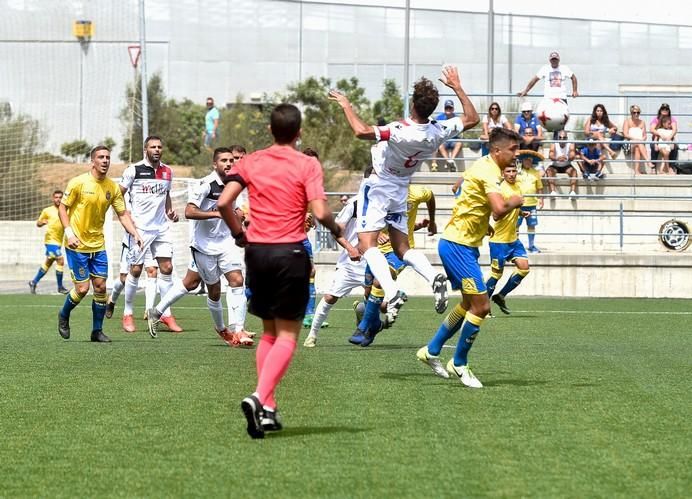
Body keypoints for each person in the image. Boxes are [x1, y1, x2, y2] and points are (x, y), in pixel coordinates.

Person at [217, 103, 342, 439]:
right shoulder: (307, 164)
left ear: (270, 131)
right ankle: (259, 397)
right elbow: (319, 210)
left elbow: (223, 203)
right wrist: (340, 230)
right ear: (299, 133)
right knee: (287, 336)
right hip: (289, 253)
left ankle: (268, 409)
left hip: (257, 254)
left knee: (270, 334)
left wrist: (238, 234)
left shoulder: (250, 161)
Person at [329, 65, 479, 324]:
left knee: (367, 245)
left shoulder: (399, 129)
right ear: (432, 108)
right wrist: (456, 86)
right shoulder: (438, 130)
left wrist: (345, 104)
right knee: (402, 248)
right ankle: (433, 278)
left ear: (412, 104)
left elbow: (361, 131)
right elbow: (472, 118)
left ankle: (391, 290)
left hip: (378, 187)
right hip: (401, 188)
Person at [416, 127, 524, 388]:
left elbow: (466, 195)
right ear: (497, 150)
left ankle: (430, 351)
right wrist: (516, 200)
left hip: (462, 242)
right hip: (458, 246)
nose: (516, 154)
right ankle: (460, 362)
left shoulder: (484, 165)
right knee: (482, 307)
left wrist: (479, 222)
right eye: (513, 149)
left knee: (468, 304)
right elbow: (499, 210)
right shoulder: (488, 172)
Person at [147, 147, 254, 347]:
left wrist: (240, 216)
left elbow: (236, 209)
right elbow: (189, 211)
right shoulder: (205, 185)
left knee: (237, 280)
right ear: (215, 164)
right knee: (212, 289)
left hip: (225, 244)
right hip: (203, 247)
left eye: (231, 160)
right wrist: (216, 214)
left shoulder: (234, 185)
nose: (229, 164)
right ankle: (222, 329)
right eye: (224, 160)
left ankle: (239, 330)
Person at [57, 146, 142, 342]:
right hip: (76, 245)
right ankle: (63, 314)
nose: (105, 161)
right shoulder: (78, 183)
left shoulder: (112, 187)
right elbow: (63, 208)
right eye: (101, 157)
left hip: (98, 245)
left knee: (101, 287)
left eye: (107, 158)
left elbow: (122, 214)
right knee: (82, 289)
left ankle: (97, 331)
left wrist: (135, 233)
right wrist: (69, 234)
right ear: (92, 161)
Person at [349, 184, 437, 347]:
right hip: (375, 250)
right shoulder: (377, 194)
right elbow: (365, 223)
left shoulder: (416, 192)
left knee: (379, 282)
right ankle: (375, 325)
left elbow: (430, 196)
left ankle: (363, 327)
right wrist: (378, 233)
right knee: (369, 295)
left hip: (399, 252)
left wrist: (432, 221)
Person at [119, 136, 182, 334]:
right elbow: (118, 194)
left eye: (159, 147)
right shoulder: (134, 170)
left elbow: (166, 195)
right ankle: (128, 313)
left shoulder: (167, 171)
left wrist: (170, 211)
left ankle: (165, 313)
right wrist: (126, 214)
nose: (156, 149)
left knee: (167, 267)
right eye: (152, 147)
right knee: (136, 270)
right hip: (140, 229)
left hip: (161, 228)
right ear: (145, 149)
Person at [303, 193, 364, 347]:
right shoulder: (355, 204)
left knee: (381, 302)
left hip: (373, 260)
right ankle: (312, 335)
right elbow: (336, 230)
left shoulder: (386, 201)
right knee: (330, 297)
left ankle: (364, 321)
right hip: (350, 263)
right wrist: (351, 248)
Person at [486, 162, 531, 315]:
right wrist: (512, 206)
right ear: (503, 174)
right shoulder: (500, 190)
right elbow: (496, 216)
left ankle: (501, 295)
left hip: (513, 239)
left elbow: (514, 207)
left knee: (524, 269)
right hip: (498, 241)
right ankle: (483, 307)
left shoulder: (517, 188)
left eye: (513, 171)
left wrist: (521, 212)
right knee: (496, 275)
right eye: (508, 171)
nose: (512, 174)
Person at [28, 190, 69, 295]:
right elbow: (38, 223)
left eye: (60, 197)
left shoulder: (66, 210)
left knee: (48, 263)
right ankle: (60, 287)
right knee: (60, 260)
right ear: (53, 198)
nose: (58, 199)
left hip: (59, 242)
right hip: (50, 241)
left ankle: (33, 282)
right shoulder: (47, 211)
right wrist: (42, 222)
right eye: (56, 197)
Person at [517, 147, 545, 253]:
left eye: (530, 160)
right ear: (522, 161)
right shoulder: (517, 172)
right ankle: (516, 246)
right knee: (516, 225)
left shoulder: (535, 173)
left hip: (532, 204)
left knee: (532, 225)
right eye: (526, 160)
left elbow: (540, 187)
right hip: (519, 204)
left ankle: (531, 245)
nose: (528, 162)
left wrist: (541, 199)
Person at [432, 99, 463, 172]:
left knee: (459, 143)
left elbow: (460, 131)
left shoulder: (457, 118)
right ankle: (448, 161)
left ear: (453, 109)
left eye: (450, 108)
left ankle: (451, 160)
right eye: (447, 108)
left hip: (454, 140)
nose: (448, 109)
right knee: (439, 144)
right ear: (444, 108)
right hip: (444, 140)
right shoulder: (439, 118)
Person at [546, 130, 578, 198]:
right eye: (560, 137)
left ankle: (572, 192)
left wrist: (566, 158)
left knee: (574, 171)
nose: (562, 139)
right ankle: (552, 192)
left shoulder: (570, 144)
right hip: (555, 165)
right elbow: (550, 155)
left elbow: (572, 155)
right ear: (558, 138)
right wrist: (557, 158)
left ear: (566, 138)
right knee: (549, 170)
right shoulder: (554, 144)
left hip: (566, 165)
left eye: (564, 137)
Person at [623, 105, 651, 175]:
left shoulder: (642, 122)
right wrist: (635, 139)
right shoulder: (627, 121)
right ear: (631, 113)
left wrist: (641, 140)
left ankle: (636, 171)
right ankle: (648, 161)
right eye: (634, 112)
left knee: (638, 148)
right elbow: (625, 134)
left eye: (638, 112)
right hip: (628, 144)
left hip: (639, 144)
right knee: (639, 143)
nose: (636, 114)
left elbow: (645, 136)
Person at [650, 103, 678, 171]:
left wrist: (669, 137)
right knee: (653, 146)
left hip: (668, 139)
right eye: (663, 109)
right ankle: (653, 167)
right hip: (658, 139)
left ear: (669, 111)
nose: (664, 110)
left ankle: (671, 167)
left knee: (675, 147)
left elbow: (674, 130)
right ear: (660, 110)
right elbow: (652, 129)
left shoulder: (672, 119)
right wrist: (660, 135)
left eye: (666, 109)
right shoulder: (656, 119)